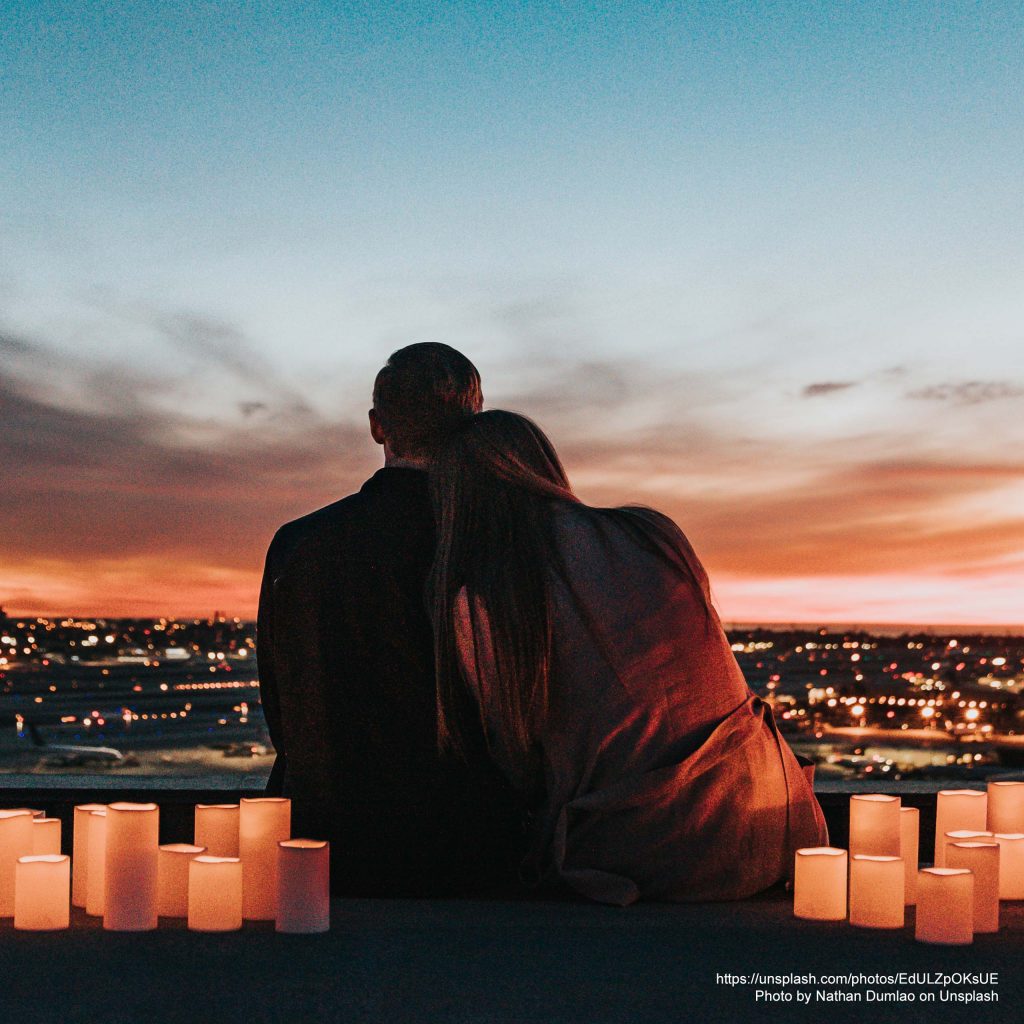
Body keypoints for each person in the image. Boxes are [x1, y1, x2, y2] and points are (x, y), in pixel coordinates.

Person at [429, 410, 828, 906]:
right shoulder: (653, 533)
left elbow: (518, 761)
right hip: (778, 825)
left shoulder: (486, 598)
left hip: (647, 855)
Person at [257, 344, 524, 896]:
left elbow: (286, 714)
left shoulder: (298, 545)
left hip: (326, 847)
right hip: (470, 855)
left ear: (377, 426)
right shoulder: (502, 544)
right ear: (474, 423)